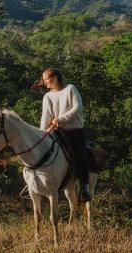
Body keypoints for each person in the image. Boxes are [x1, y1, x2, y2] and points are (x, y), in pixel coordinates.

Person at [37, 68, 91, 202]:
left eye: (47, 79)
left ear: (55, 77)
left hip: (73, 131)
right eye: (44, 80)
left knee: (80, 154)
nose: (45, 82)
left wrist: (61, 119)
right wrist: (42, 135)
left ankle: (84, 187)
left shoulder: (70, 89)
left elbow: (77, 107)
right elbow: (46, 117)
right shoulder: (47, 97)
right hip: (56, 133)